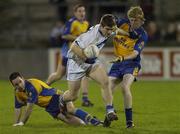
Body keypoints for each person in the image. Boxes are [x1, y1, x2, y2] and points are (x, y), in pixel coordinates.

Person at [59, 14, 125, 127]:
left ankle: (110, 111)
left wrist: (130, 34)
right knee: (73, 96)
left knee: (105, 82)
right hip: (76, 63)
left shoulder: (108, 29)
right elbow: (73, 47)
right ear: (102, 27)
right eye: (108, 29)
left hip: (90, 62)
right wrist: (85, 56)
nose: (110, 32)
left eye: (111, 29)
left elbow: (117, 30)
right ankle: (61, 99)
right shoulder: (91, 36)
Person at [9, 72, 103, 127]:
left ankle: (93, 121)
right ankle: (87, 123)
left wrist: (22, 123)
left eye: (20, 82)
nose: (19, 85)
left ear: (23, 78)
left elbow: (29, 108)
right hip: (48, 106)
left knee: (70, 111)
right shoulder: (17, 92)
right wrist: (15, 124)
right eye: (16, 84)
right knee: (68, 120)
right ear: (13, 85)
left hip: (56, 96)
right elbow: (18, 108)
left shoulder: (32, 86)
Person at [107, 6, 148, 128]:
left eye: (135, 20)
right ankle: (109, 113)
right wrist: (116, 29)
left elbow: (135, 53)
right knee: (107, 86)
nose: (132, 22)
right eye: (131, 19)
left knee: (125, 87)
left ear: (141, 20)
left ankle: (129, 122)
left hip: (132, 64)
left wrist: (123, 58)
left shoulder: (143, 35)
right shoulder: (122, 23)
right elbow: (109, 21)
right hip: (117, 63)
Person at [46, 4, 94, 107]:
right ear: (75, 13)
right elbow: (64, 35)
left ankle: (85, 99)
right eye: (80, 11)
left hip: (79, 53)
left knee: (85, 73)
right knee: (59, 75)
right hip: (68, 52)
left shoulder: (86, 23)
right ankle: (45, 86)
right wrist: (78, 37)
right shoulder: (72, 22)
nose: (82, 13)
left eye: (83, 11)